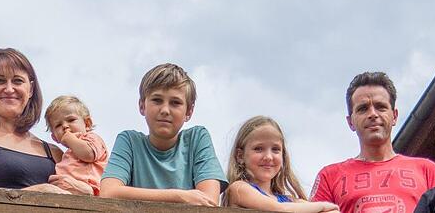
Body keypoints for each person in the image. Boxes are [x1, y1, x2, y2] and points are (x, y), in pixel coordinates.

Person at [0, 48, 90, 194]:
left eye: (17, 81)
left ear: (30, 89)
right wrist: (36, 193)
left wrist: (86, 191)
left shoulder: (54, 152)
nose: (9, 89)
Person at [311, 71, 435, 213]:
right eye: (363, 109)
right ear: (350, 122)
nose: (373, 114)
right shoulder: (329, 177)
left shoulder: (427, 171)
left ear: (394, 116)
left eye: (380, 106)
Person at [100, 63, 227, 206]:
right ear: (142, 106)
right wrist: (179, 196)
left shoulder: (197, 139)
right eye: (157, 100)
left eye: (175, 102)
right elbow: (108, 192)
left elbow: (208, 200)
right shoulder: (129, 141)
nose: (165, 110)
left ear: (189, 112)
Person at [222, 116, 340, 212]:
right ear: (240, 156)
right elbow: (280, 210)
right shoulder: (238, 189)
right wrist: (324, 206)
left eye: (275, 149)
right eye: (258, 149)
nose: (268, 157)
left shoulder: (288, 200)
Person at [44, 95, 109, 195]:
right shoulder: (67, 155)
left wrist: (70, 139)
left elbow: (89, 154)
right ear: (55, 137)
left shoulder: (92, 139)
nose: (65, 126)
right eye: (58, 125)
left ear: (87, 124)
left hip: (90, 189)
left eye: (71, 120)